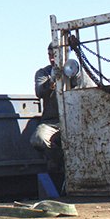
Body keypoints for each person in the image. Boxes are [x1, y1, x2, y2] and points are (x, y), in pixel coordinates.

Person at [30, 41, 64, 171]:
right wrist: (52, 81)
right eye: (49, 55)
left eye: (54, 55)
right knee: (38, 138)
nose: (51, 58)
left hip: (73, 120)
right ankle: (58, 162)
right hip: (52, 122)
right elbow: (39, 92)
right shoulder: (43, 73)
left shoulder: (73, 70)